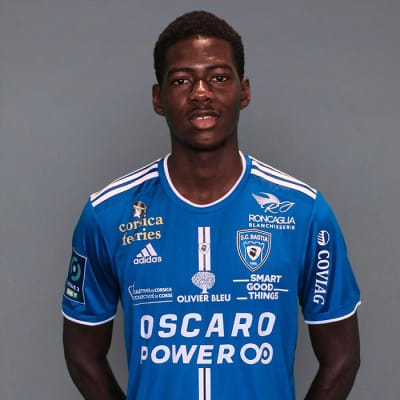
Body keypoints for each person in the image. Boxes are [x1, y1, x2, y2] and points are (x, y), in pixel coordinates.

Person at [62, 10, 361, 400]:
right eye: (181, 80)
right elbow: (82, 353)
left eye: (218, 77)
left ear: (244, 91)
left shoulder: (303, 212)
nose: (200, 92)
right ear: (158, 98)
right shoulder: (108, 214)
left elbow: (342, 359)